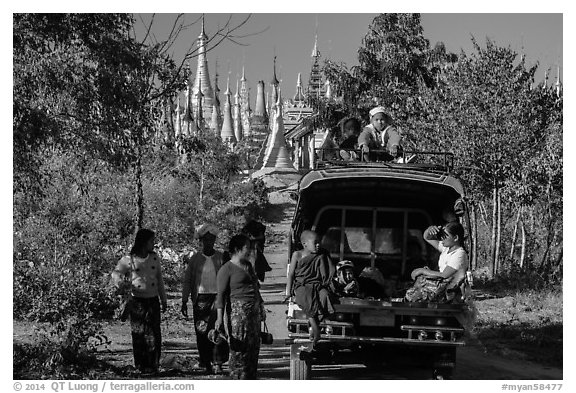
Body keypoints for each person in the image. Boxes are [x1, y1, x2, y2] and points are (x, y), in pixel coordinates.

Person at [111, 228, 167, 375]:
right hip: (137, 301)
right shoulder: (128, 260)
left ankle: (153, 364)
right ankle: (141, 365)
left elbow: (159, 279)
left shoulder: (154, 258)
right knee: (139, 333)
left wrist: (164, 299)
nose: (153, 244)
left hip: (153, 300)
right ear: (143, 242)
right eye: (151, 241)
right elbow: (115, 274)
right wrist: (122, 286)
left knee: (154, 333)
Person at [215, 234, 265, 380]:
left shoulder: (248, 265)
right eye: (246, 247)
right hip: (238, 315)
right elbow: (221, 296)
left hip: (253, 313)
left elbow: (255, 287)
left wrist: (261, 307)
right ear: (237, 249)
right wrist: (219, 319)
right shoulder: (226, 269)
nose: (249, 250)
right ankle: (237, 378)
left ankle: (250, 377)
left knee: (253, 346)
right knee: (239, 348)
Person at [181, 224, 226, 375]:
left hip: (217, 298)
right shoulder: (195, 259)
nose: (208, 243)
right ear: (201, 241)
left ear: (214, 241)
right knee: (201, 331)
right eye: (205, 240)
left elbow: (227, 278)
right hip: (200, 299)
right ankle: (205, 361)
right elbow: (187, 280)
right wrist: (184, 300)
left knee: (218, 329)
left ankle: (218, 362)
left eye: (211, 240)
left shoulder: (220, 258)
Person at [285, 230, 335, 349]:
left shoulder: (321, 255)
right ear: (304, 244)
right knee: (306, 298)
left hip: (317, 285)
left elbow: (327, 272)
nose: (318, 245)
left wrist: (327, 284)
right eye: (315, 243)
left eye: (319, 243)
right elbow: (291, 274)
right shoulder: (297, 255)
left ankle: (324, 322)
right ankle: (314, 326)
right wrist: (288, 292)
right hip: (302, 285)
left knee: (324, 295)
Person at [406, 222, 469, 302]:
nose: (442, 238)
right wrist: (429, 230)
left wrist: (422, 271)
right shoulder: (446, 249)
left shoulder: (459, 254)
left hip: (449, 292)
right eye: (441, 235)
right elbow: (427, 237)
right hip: (442, 287)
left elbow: (444, 275)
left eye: (445, 236)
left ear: (455, 238)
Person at [241, 210, 272, 282]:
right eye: (245, 215)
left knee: (257, 257)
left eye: (248, 215)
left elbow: (261, 236)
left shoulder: (258, 225)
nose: (246, 217)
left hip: (256, 247)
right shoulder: (245, 227)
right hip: (248, 247)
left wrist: (253, 239)